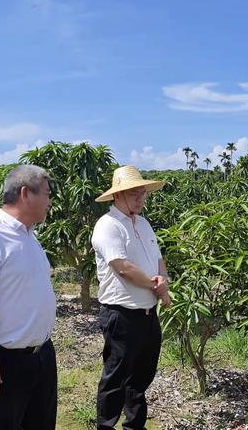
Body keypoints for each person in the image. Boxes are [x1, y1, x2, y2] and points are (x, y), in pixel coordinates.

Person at [0, 164, 57, 429]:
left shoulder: (30, 236)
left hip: (39, 356)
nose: (50, 201)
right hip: (3, 360)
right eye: (47, 193)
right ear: (26, 194)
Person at [92, 165, 171, 430]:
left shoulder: (144, 223)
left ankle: (134, 426)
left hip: (148, 314)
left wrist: (163, 279)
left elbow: (158, 260)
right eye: (134, 193)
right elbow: (122, 267)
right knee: (115, 377)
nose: (141, 198)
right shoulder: (108, 226)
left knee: (141, 378)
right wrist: (155, 286)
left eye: (142, 193)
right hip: (122, 314)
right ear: (118, 196)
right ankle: (106, 425)